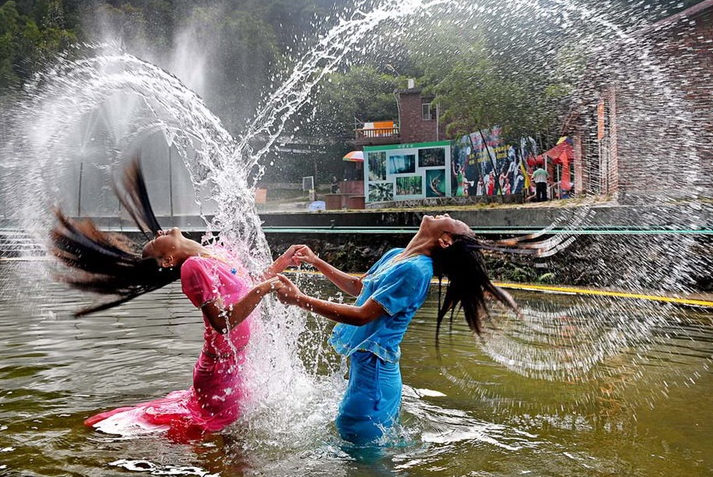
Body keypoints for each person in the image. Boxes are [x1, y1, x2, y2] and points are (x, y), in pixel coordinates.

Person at [48, 158, 298, 441]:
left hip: (237, 366)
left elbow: (245, 288)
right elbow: (222, 323)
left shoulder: (216, 251)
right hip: (221, 372)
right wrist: (264, 289)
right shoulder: (194, 268)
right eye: (154, 243)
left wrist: (280, 265)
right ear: (168, 259)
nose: (157, 233)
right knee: (224, 444)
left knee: (231, 439)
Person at [273, 214, 518, 446]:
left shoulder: (416, 271)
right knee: (358, 449)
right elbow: (359, 287)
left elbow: (362, 316)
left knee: (360, 452)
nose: (446, 214)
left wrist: (299, 299)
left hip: (375, 379)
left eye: (453, 220)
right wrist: (316, 261)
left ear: (445, 241)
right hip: (368, 371)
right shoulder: (397, 255)